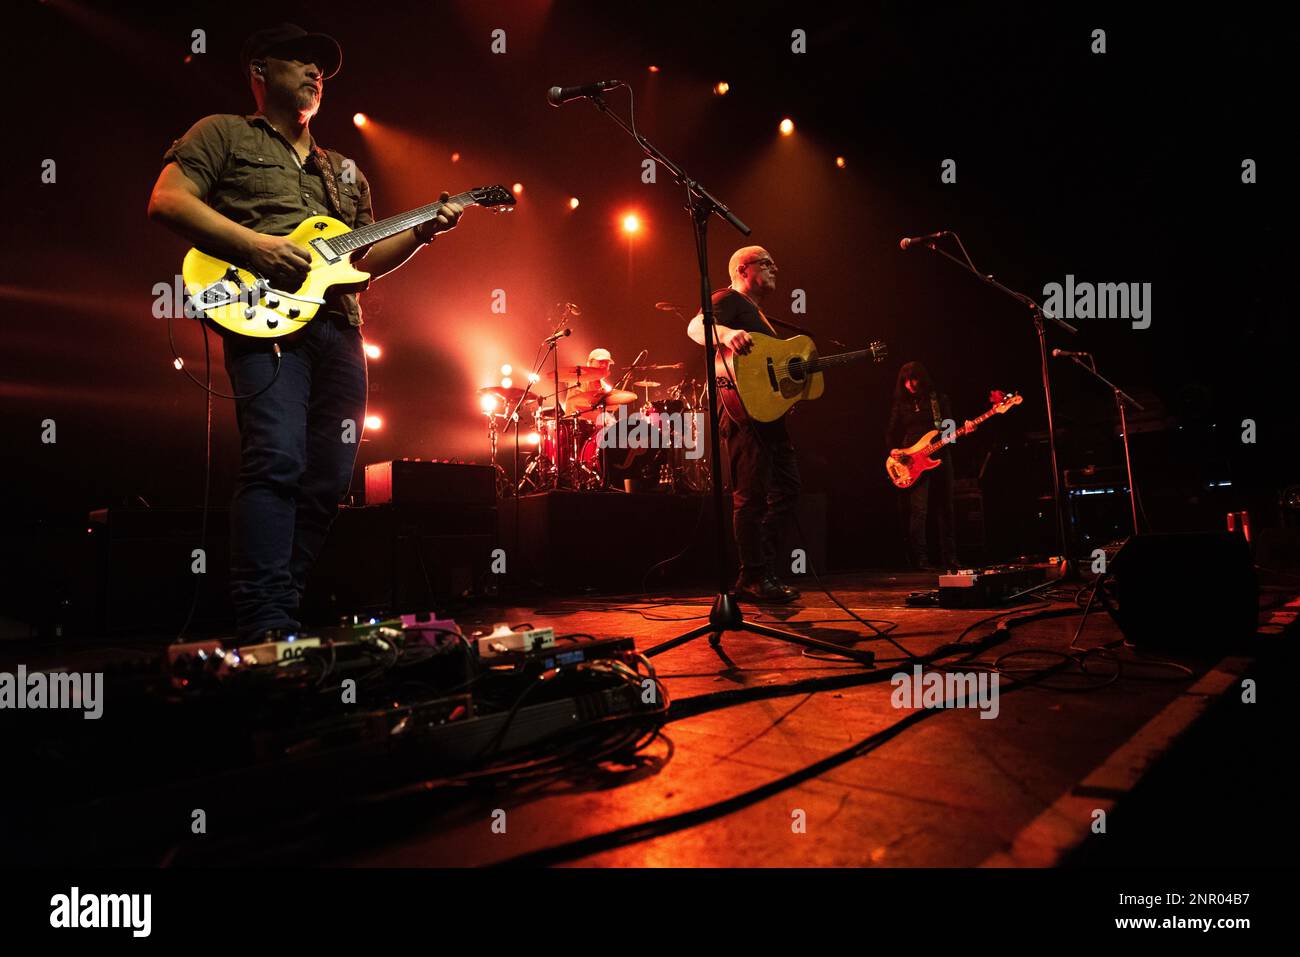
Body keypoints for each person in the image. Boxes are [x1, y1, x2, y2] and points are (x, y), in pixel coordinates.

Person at [147, 23, 465, 642]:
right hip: (263, 322)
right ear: (260, 69)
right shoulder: (223, 133)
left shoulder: (343, 171)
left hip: (340, 328)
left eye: (323, 66)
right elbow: (167, 201)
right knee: (276, 460)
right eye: (302, 61)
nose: (317, 72)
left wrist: (427, 228)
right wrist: (258, 248)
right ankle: (265, 620)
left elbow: (365, 259)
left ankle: (281, 608)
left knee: (328, 475)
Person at [687, 246, 800, 603]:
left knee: (788, 488)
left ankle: (761, 569)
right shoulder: (728, 299)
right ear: (742, 269)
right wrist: (722, 333)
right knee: (750, 496)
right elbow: (694, 327)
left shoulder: (757, 313)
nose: (775, 267)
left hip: (768, 416)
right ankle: (751, 577)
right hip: (743, 414)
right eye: (767, 262)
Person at [885, 361, 966, 571]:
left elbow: (949, 430)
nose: (910, 384)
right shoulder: (900, 405)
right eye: (906, 381)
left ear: (922, 379)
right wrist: (894, 449)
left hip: (940, 456)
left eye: (914, 379)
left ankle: (950, 558)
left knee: (946, 508)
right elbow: (890, 433)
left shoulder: (938, 400)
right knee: (919, 511)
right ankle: (920, 560)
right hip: (911, 460)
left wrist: (960, 432)